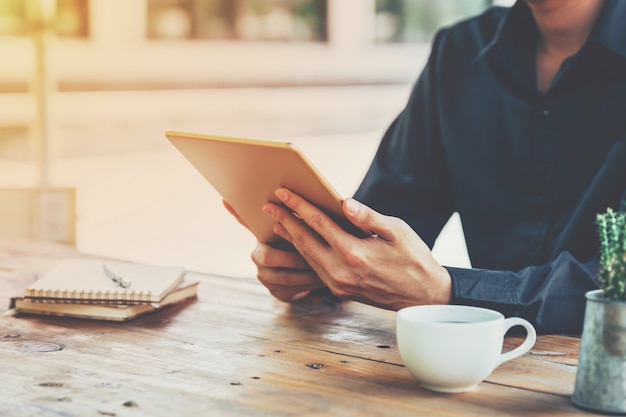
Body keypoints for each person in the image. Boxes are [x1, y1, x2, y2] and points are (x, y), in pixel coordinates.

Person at [226, 0, 626, 334]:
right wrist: (321, 262)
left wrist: (448, 291)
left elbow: (616, 285)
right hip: (473, 369)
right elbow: (387, 217)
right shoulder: (460, 52)